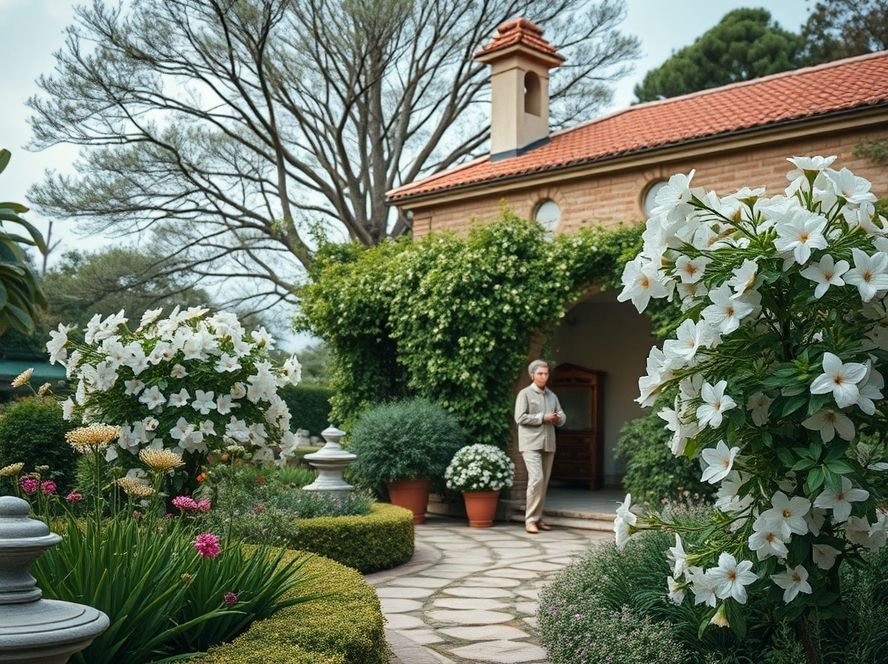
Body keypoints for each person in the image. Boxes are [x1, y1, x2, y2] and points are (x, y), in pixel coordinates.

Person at [514, 359, 565, 534]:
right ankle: (530, 520)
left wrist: (558, 418)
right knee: (536, 479)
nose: (544, 376)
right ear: (532, 375)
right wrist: (543, 417)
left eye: (546, 373)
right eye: (540, 373)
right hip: (530, 444)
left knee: (543, 483)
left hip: (548, 443)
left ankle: (538, 518)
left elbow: (562, 415)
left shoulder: (552, 396)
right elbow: (520, 418)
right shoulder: (525, 394)